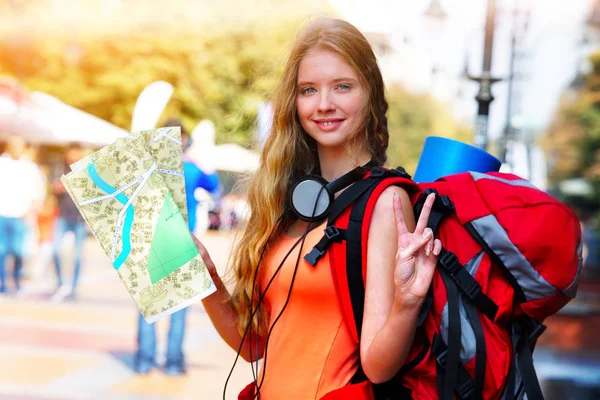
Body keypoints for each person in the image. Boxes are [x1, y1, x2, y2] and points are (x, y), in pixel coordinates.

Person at [192, 18, 442, 399]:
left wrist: (407, 304)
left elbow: (377, 366)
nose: (324, 104)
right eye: (309, 90)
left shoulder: (385, 202)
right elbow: (255, 346)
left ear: (370, 93)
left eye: (343, 86)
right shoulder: (291, 199)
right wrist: (206, 278)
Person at [134, 119, 221, 375]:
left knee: (148, 304)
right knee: (180, 307)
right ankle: (173, 362)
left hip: (149, 240)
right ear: (186, 140)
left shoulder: (146, 169)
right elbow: (215, 187)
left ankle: (144, 360)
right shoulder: (192, 168)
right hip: (183, 241)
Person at [0, 136, 46, 294]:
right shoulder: (2, 164)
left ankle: (17, 279)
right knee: (2, 251)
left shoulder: (30, 168)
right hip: (2, 213)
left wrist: (31, 210)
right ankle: (4, 284)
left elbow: (39, 192)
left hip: (21, 215)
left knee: (18, 250)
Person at [51, 143, 88, 301]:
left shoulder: (86, 170)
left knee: (78, 256)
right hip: (63, 216)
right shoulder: (60, 167)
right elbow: (54, 187)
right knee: (55, 250)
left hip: (79, 219)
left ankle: (73, 287)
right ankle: (60, 283)